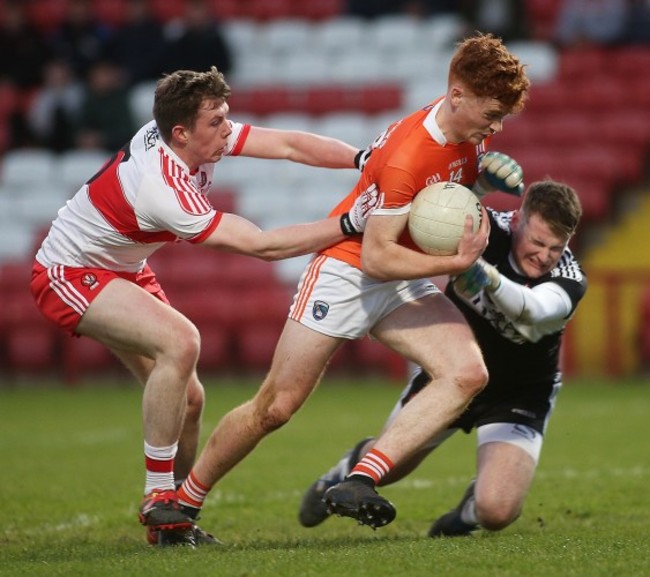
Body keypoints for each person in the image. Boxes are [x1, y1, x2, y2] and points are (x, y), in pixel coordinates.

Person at [174, 33, 530, 543]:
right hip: (349, 271)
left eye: (502, 119)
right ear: (457, 95)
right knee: (274, 407)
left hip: (399, 271)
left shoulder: (470, 130)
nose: (496, 126)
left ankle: (359, 479)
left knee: (467, 373)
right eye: (492, 113)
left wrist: (482, 185)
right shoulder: (411, 154)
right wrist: (455, 261)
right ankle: (182, 504)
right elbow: (376, 256)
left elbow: (440, 205)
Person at [30, 66, 375, 547]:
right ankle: (159, 496)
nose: (227, 129)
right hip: (68, 271)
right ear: (180, 131)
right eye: (216, 121)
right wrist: (348, 224)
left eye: (225, 117)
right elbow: (261, 246)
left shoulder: (192, 136)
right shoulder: (162, 186)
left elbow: (289, 145)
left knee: (190, 400)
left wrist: (362, 158)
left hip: (122, 266)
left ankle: (171, 524)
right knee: (181, 340)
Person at [298, 180, 586, 538]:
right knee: (387, 468)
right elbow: (432, 208)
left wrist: (490, 278)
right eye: (538, 242)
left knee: (496, 511)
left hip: (520, 394)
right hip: (450, 375)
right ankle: (345, 469)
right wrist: (478, 184)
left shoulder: (569, 278)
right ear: (518, 220)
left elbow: (533, 308)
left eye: (556, 248)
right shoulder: (483, 231)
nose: (544, 256)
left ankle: (468, 512)